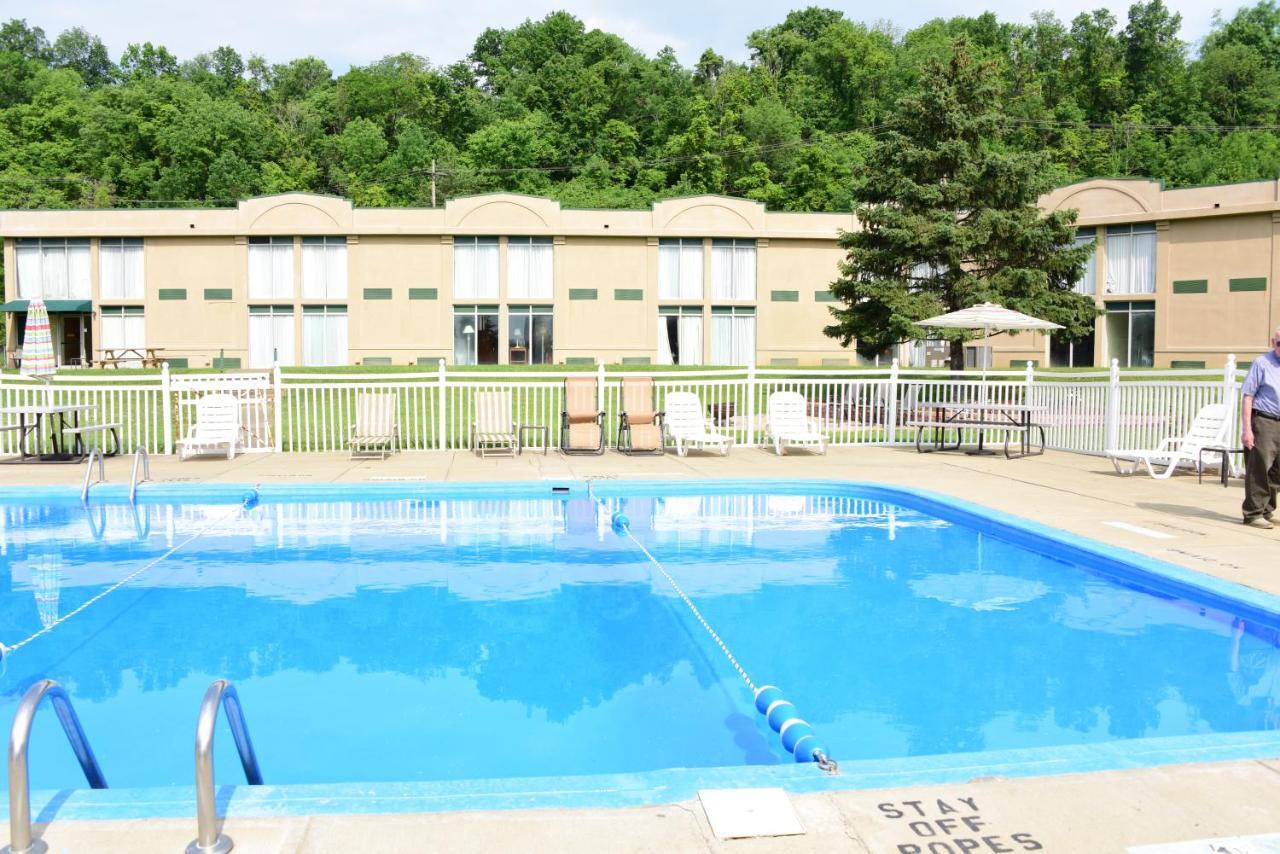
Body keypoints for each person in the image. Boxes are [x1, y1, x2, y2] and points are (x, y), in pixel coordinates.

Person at [1241, 326, 1280, 528]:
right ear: (1273, 343)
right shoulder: (1261, 363)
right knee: (1259, 468)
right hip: (1265, 420)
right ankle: (1253, 512)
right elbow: (1248, 396)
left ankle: (1267, 509)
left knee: (1277, 471)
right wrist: (1247, 430)